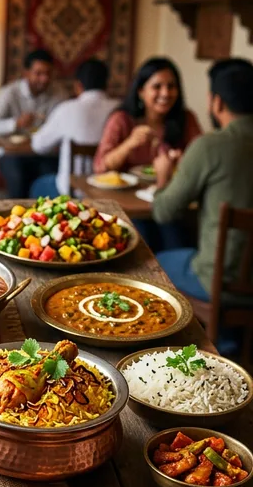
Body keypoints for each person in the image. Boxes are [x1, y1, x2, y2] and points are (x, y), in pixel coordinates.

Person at [153, 58, 253, 308]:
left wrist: (163, 176)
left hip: (219, 282)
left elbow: (164, 212)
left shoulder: (210, 146)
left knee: (154, 262)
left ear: (216, 102)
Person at [94, 57, 202, 175]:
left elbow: (204, 160)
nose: (165, 93)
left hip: (171, 186)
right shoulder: (120, 120)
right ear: (141, 92)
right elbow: (100, 167)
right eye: (157, 86)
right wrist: (129, 144)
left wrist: (185, 161)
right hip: (128, 187)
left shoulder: (187, 118)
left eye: (171, 86)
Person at [29, 58, 119, 198]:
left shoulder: (66, 109)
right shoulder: (120, 108)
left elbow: (38, 145)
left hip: (72, 194)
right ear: (107, 84)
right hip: (111, 191)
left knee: (38, 185)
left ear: (78, 86)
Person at [0, 49, 66, 198]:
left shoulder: (58, 93)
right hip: (12, 154)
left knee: (52, 179)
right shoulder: (9, 92)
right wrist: (16, 123)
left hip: (44, 153)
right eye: (38, 73)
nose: (44, 79)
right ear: (26, 73)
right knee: (17, 177)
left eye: (48, 73)